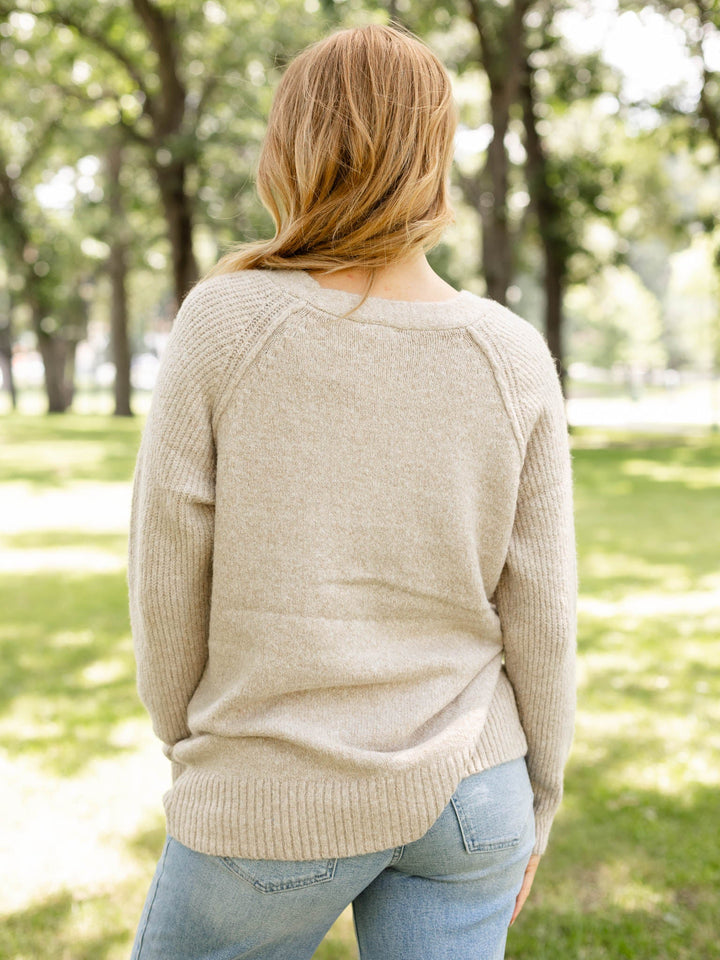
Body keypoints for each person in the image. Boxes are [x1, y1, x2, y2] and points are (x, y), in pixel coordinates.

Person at [126, 22, 577, 960]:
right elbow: (542, 610)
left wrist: (196, 749)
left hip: (267, 787)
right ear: (434, 156)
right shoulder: (511, 354)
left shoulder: (225, 320)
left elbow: (166, 577)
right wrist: (538, 798)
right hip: (471, 786)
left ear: (291, 147)